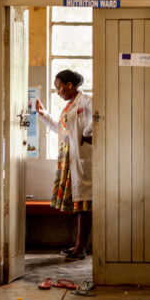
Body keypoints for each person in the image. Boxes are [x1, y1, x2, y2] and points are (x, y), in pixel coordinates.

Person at [36, 70, 93, 260]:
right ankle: (79, 246)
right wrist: (43, 115)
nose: (58, 92)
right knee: (78, 204)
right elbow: (60, 130)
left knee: (84, 203)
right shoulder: (69, 107)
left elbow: (98, 120)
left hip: (82, 157)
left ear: (69, 85)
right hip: (68, 156)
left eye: (60, 88)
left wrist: (85, 135)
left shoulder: (87, 101)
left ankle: (81, 249)